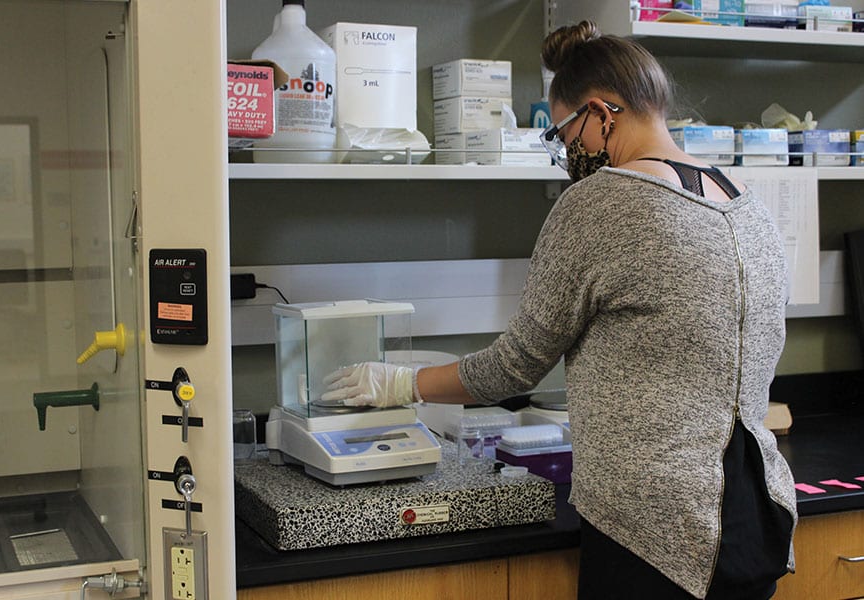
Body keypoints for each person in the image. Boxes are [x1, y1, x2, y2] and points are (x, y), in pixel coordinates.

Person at [321, 20, 797, 600]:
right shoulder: (748, 206)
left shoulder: (599, 203)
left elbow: (512, 369)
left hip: (654, 533)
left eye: (565, 131)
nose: (567, 150)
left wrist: (400, 382)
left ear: (602, 113)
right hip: (756, 515)